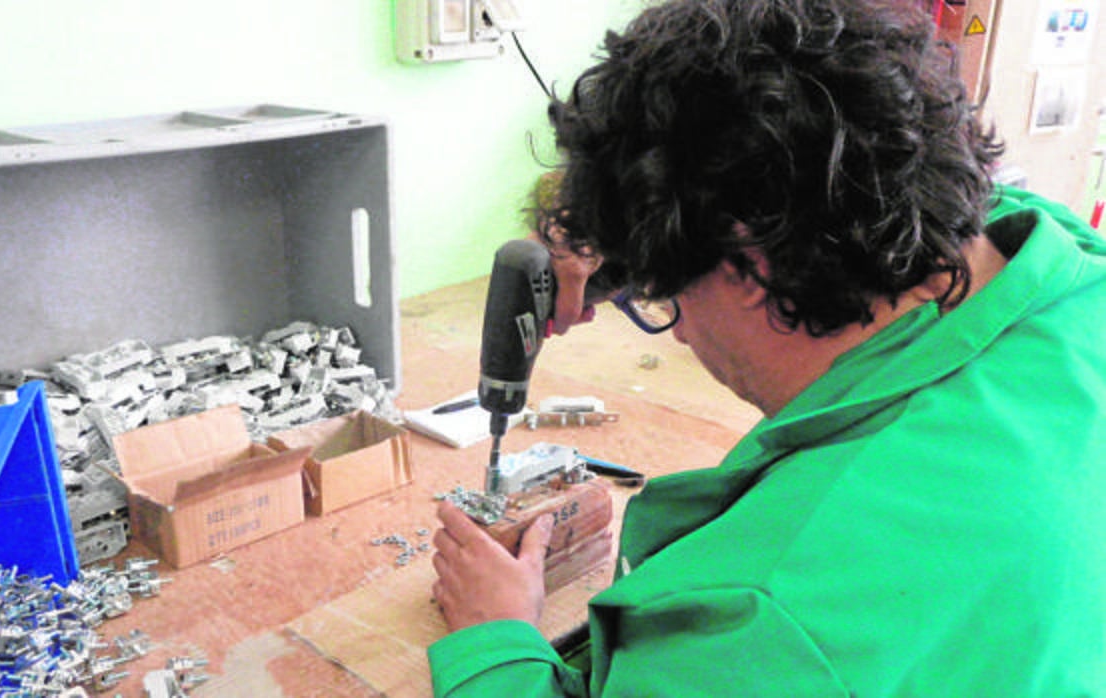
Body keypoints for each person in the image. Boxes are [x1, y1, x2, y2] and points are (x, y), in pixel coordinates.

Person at [427, 0, 1106, 695]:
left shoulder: (762, 617)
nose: (681, 330)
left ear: (749, 270)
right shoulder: (1065, 273)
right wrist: (635, 225)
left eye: (669, 298)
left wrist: (494, 635)